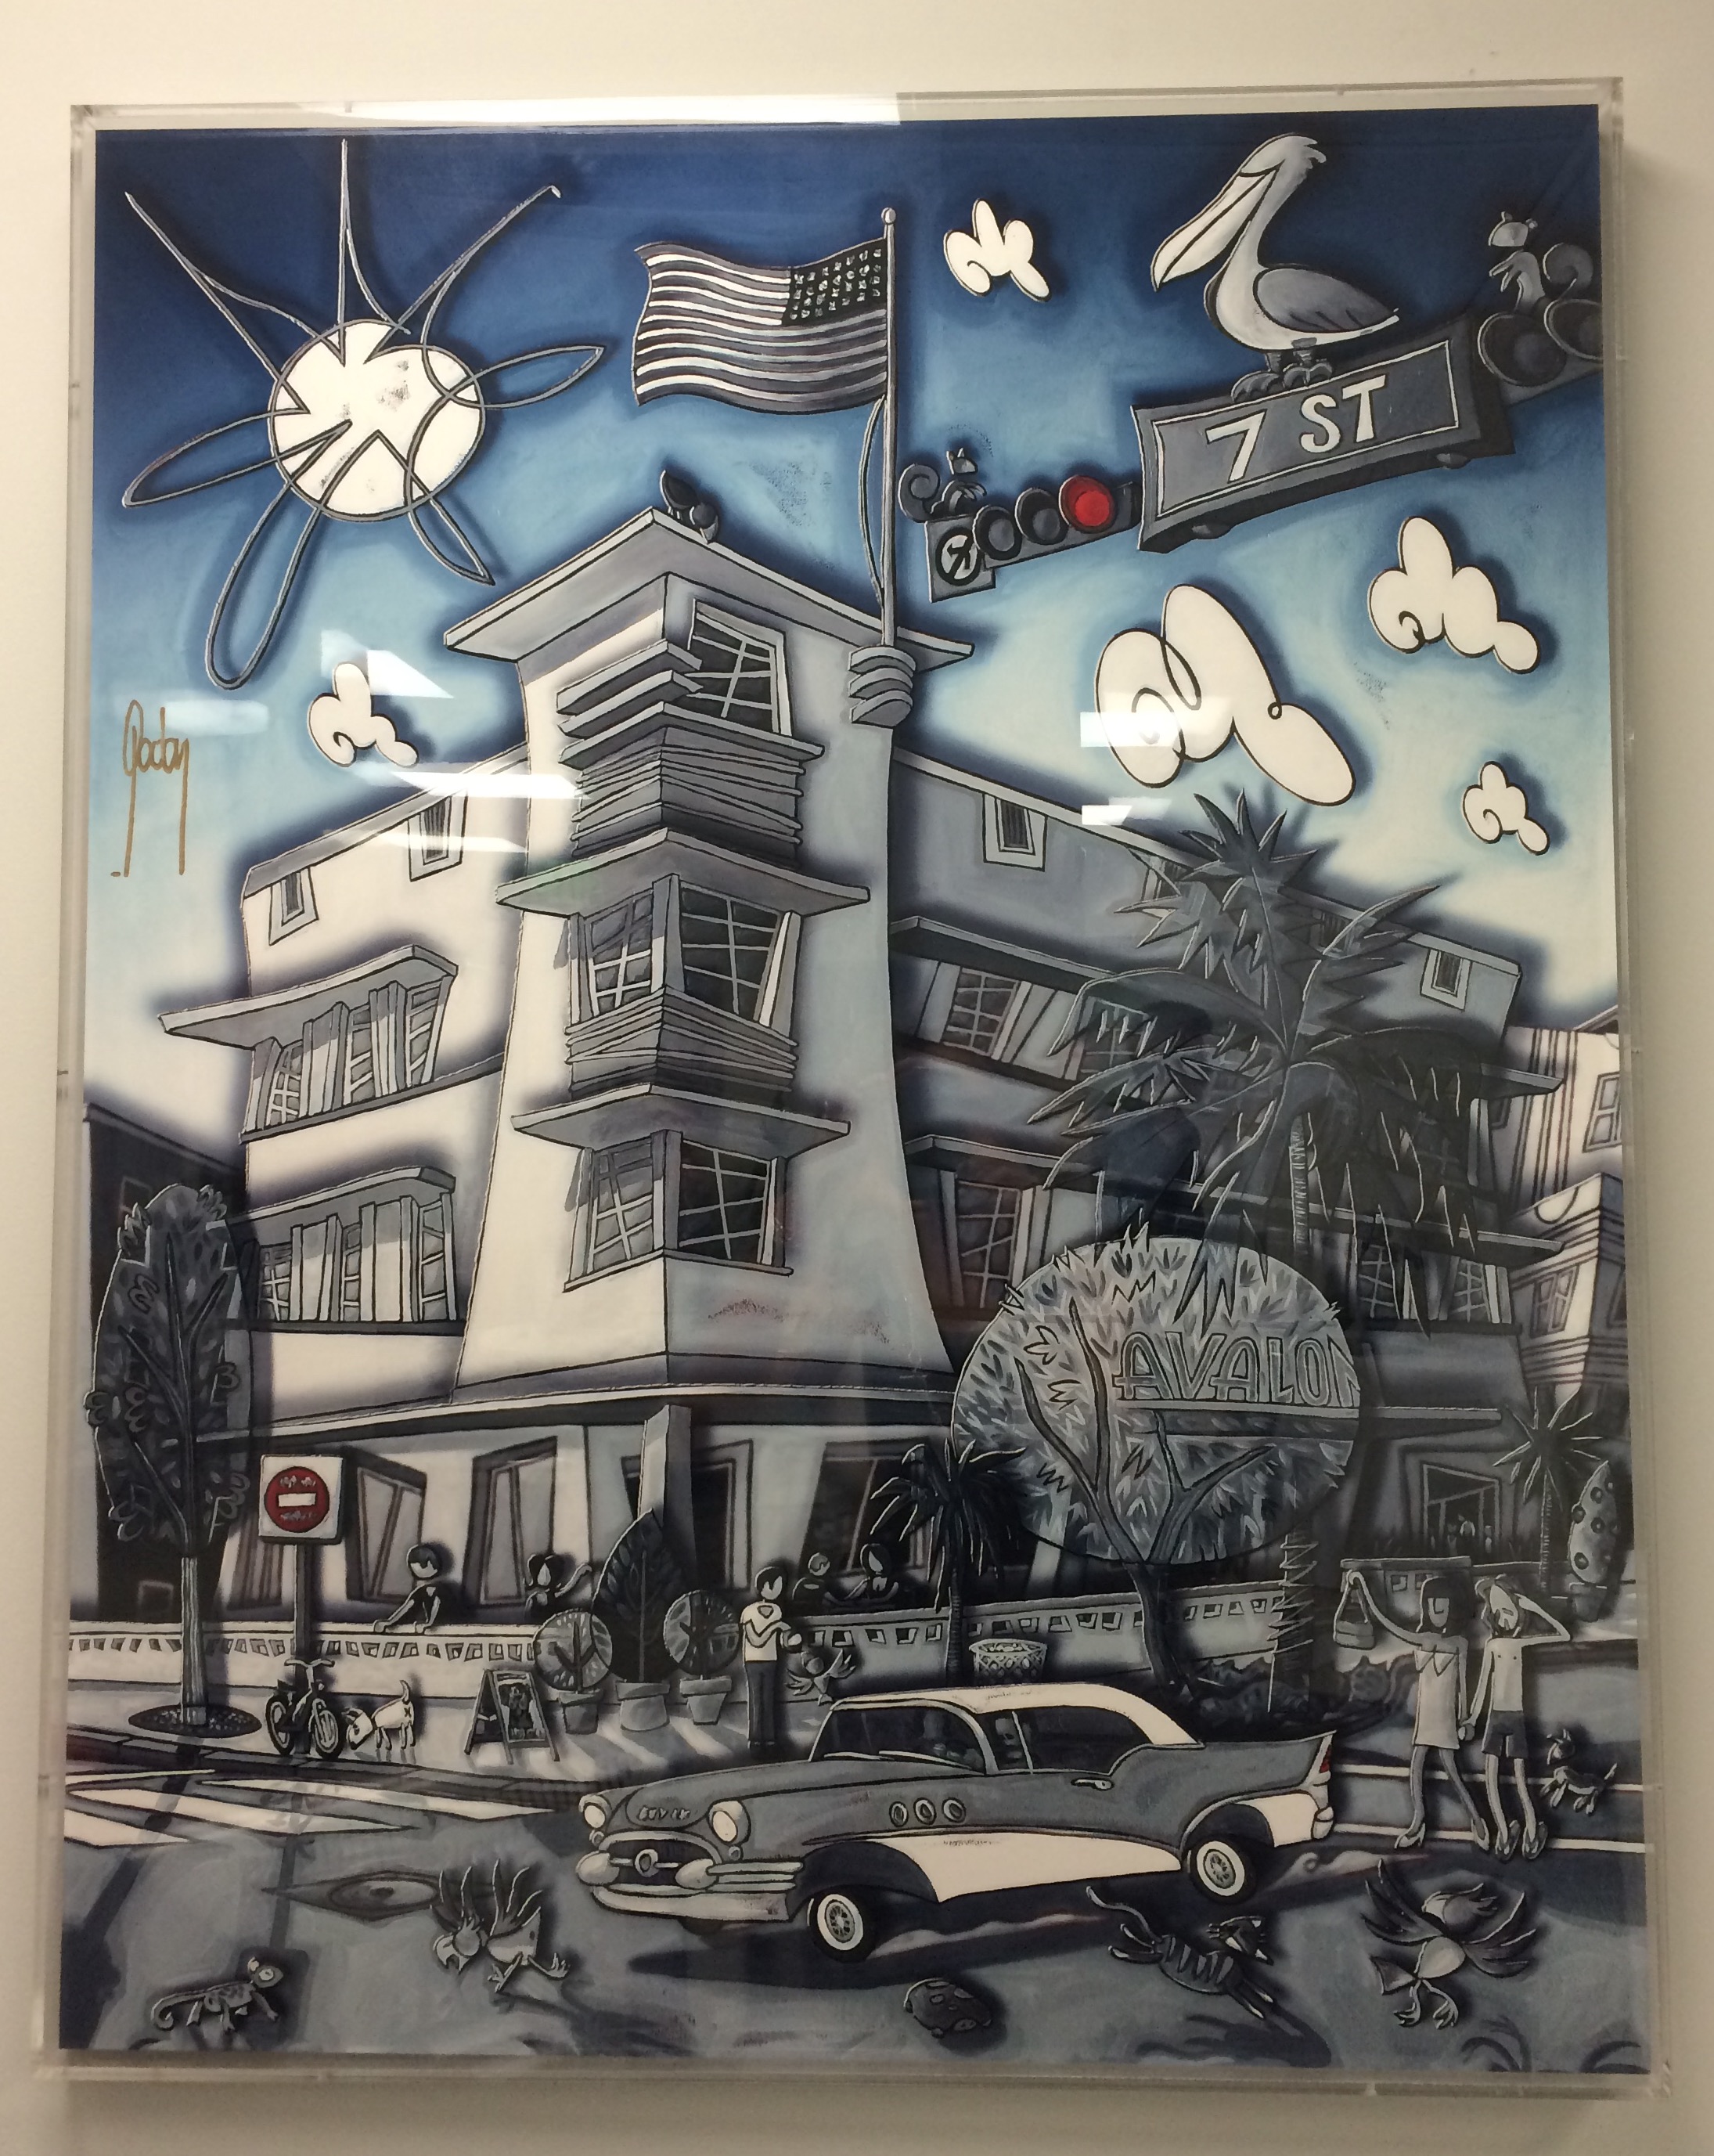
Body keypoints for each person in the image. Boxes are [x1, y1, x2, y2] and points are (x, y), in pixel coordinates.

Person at [1348, 1570, 1489, 1851]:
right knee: (1416, 1766)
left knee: (1453, 1770)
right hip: (1426, 1715)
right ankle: (1418, 1822)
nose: (1438, 1613)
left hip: (1446, 1716)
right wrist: (1363, 1588)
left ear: (1452, 1609)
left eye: (1443, 1607)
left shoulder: (1459, 1643)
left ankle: (1477, 1821)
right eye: (1433, 1607)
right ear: (1426, 1607)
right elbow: (1388, 1623)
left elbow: (1464, 1685)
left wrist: (1466, 1719)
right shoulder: (1422, 1638)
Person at [1466, 1574, 1570, 1859]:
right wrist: (1472, 1718)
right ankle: (1503, 1830)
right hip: (1495, 1717)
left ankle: (1533, 1830)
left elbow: (1562, 1634)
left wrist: (1532, 1606)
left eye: (1509, 1611)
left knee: (1520, 1777)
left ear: (1519, 1611)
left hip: (1516, 1717)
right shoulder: (1492, 1645)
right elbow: (1483, 1685)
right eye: (1498, 1612)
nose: (1504, 1618)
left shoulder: (1522, 1643)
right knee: (1491, 1778)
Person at [740, 1564, 800, 1760]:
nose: (777, 1590)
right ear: (763, 1586)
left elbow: (779, 1640)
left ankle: (770, 1740)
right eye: (774, 1586)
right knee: (756, 1700)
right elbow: (755, 1639)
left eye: (780, 1587)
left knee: (769, 1699)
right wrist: (775, 1627)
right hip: (753, 1660)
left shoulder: (776, 1610)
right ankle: (756, 1741)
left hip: (771, 1659)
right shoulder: (749, 1611)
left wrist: (791, 1639)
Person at [374, 1544, 453, 1634]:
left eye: (421, 1568)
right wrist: (390, 1622)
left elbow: (437, 1604)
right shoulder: (422, 1591)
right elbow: (408, 1606)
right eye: (414, 1570)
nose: (417, 1573)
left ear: (430, 1564)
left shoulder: (442, 1589)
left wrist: (430, 1623)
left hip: (448, 1627)